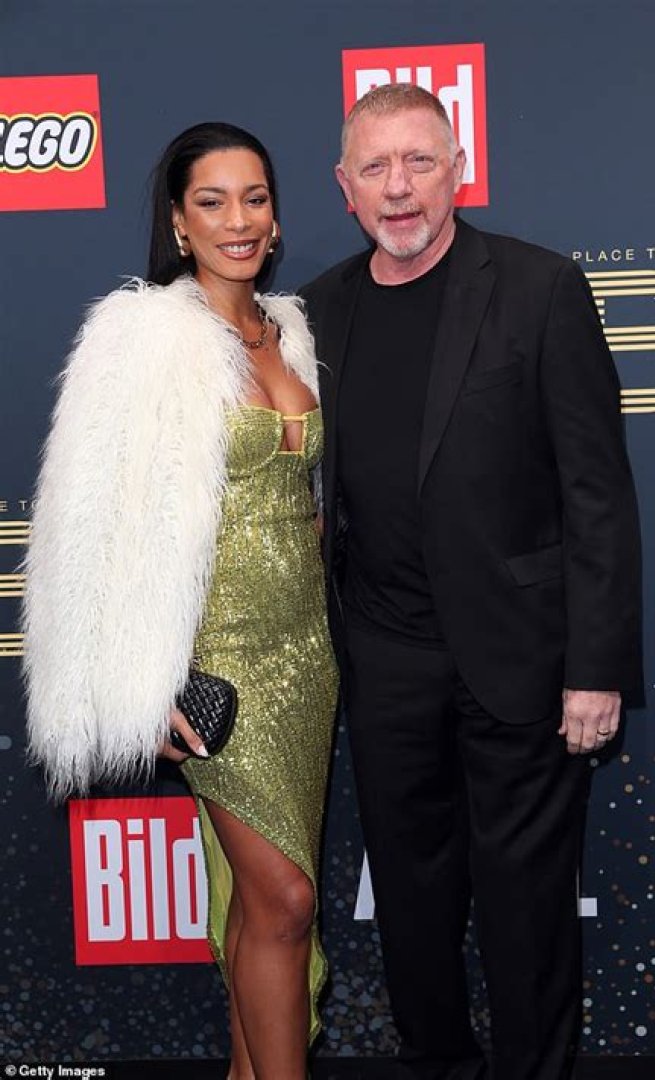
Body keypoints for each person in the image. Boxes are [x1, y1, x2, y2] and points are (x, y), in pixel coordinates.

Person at [301, 84, 642, 1080]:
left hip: (523, 659)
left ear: (459, 168)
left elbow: (596, 492)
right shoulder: (316, 311)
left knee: (527, 909)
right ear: (345, 186)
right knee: (411, 908)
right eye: (375, 167)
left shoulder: (540, 288)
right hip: (384, 663)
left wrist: (596, 668)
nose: (398, 187)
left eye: (420, 160)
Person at [23, 122, 338, 1080]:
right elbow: (87, 524)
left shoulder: (290, 331)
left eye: (254, 198)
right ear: (178, 222)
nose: (237, 220)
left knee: (256, 901)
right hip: (213, 666)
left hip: (306, 657)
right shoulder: (142, 338)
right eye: (212, 201)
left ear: (275, 219)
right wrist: (140, 680)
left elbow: (307, 508)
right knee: (286, 901)